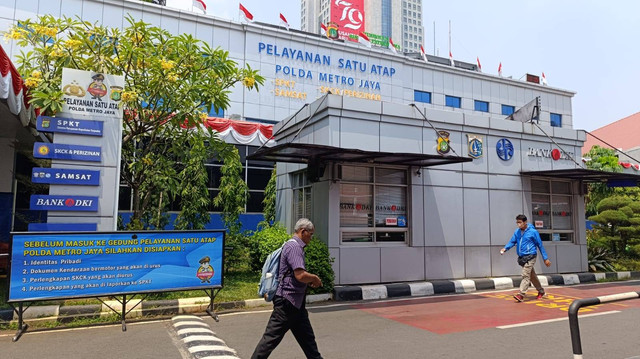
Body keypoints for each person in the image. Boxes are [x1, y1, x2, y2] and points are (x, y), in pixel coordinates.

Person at [252, 218, 324, 359]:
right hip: (287, 303)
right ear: (303, 232)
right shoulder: (294, 247)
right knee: (270, 340)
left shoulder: (293, 246)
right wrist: (314, 278)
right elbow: (300, 275)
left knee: (308, 341)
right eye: (311, 234)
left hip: (295, 303)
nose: (311, 237)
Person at [500, 214, 551, 302]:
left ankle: (521, 294)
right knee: (532, 276)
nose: (518, 224)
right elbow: (512, 241)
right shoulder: (517, 232)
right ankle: (541, 292)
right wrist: (505, 248)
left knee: (525, 274)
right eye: (517, 222)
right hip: (522, 257)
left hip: (531, 255)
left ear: (525, 222)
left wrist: (545, 258)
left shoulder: (533, 232)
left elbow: (540, 245)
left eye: (520, 222)